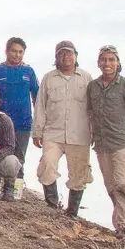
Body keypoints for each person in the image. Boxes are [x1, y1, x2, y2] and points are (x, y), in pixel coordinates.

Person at [87, 45, 125, 240]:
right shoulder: (93, 87)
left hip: (122, 143)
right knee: (112, 187)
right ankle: (124, 225)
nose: (107, 63)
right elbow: (90, 112)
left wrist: (124, 133)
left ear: (118, 63)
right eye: (104, 60)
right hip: (102, 143)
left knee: (123, 185)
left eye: (111, 60)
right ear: (98, 63)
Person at [32, 40, 93, 216]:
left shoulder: (87, 78)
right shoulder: (48, 78)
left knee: (79, 174)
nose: (65, 57)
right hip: (53, 133)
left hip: (80, 134)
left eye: (69, 53)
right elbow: (40, 106)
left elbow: (94, 108)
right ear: (56, 57)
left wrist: (96, 132)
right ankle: (52, 206)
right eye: (61, 54)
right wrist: (37, 131)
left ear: (76, 56)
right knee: (47, 165)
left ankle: (72, 213)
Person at [0, 37, 39, 181]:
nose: (17, 55)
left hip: (23, 124)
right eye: (14, 51)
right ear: (6, 51)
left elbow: (37, 97)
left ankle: (16, 189)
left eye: (21, 52)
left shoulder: (29, 72)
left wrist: (39, 122)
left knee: (19, 159)